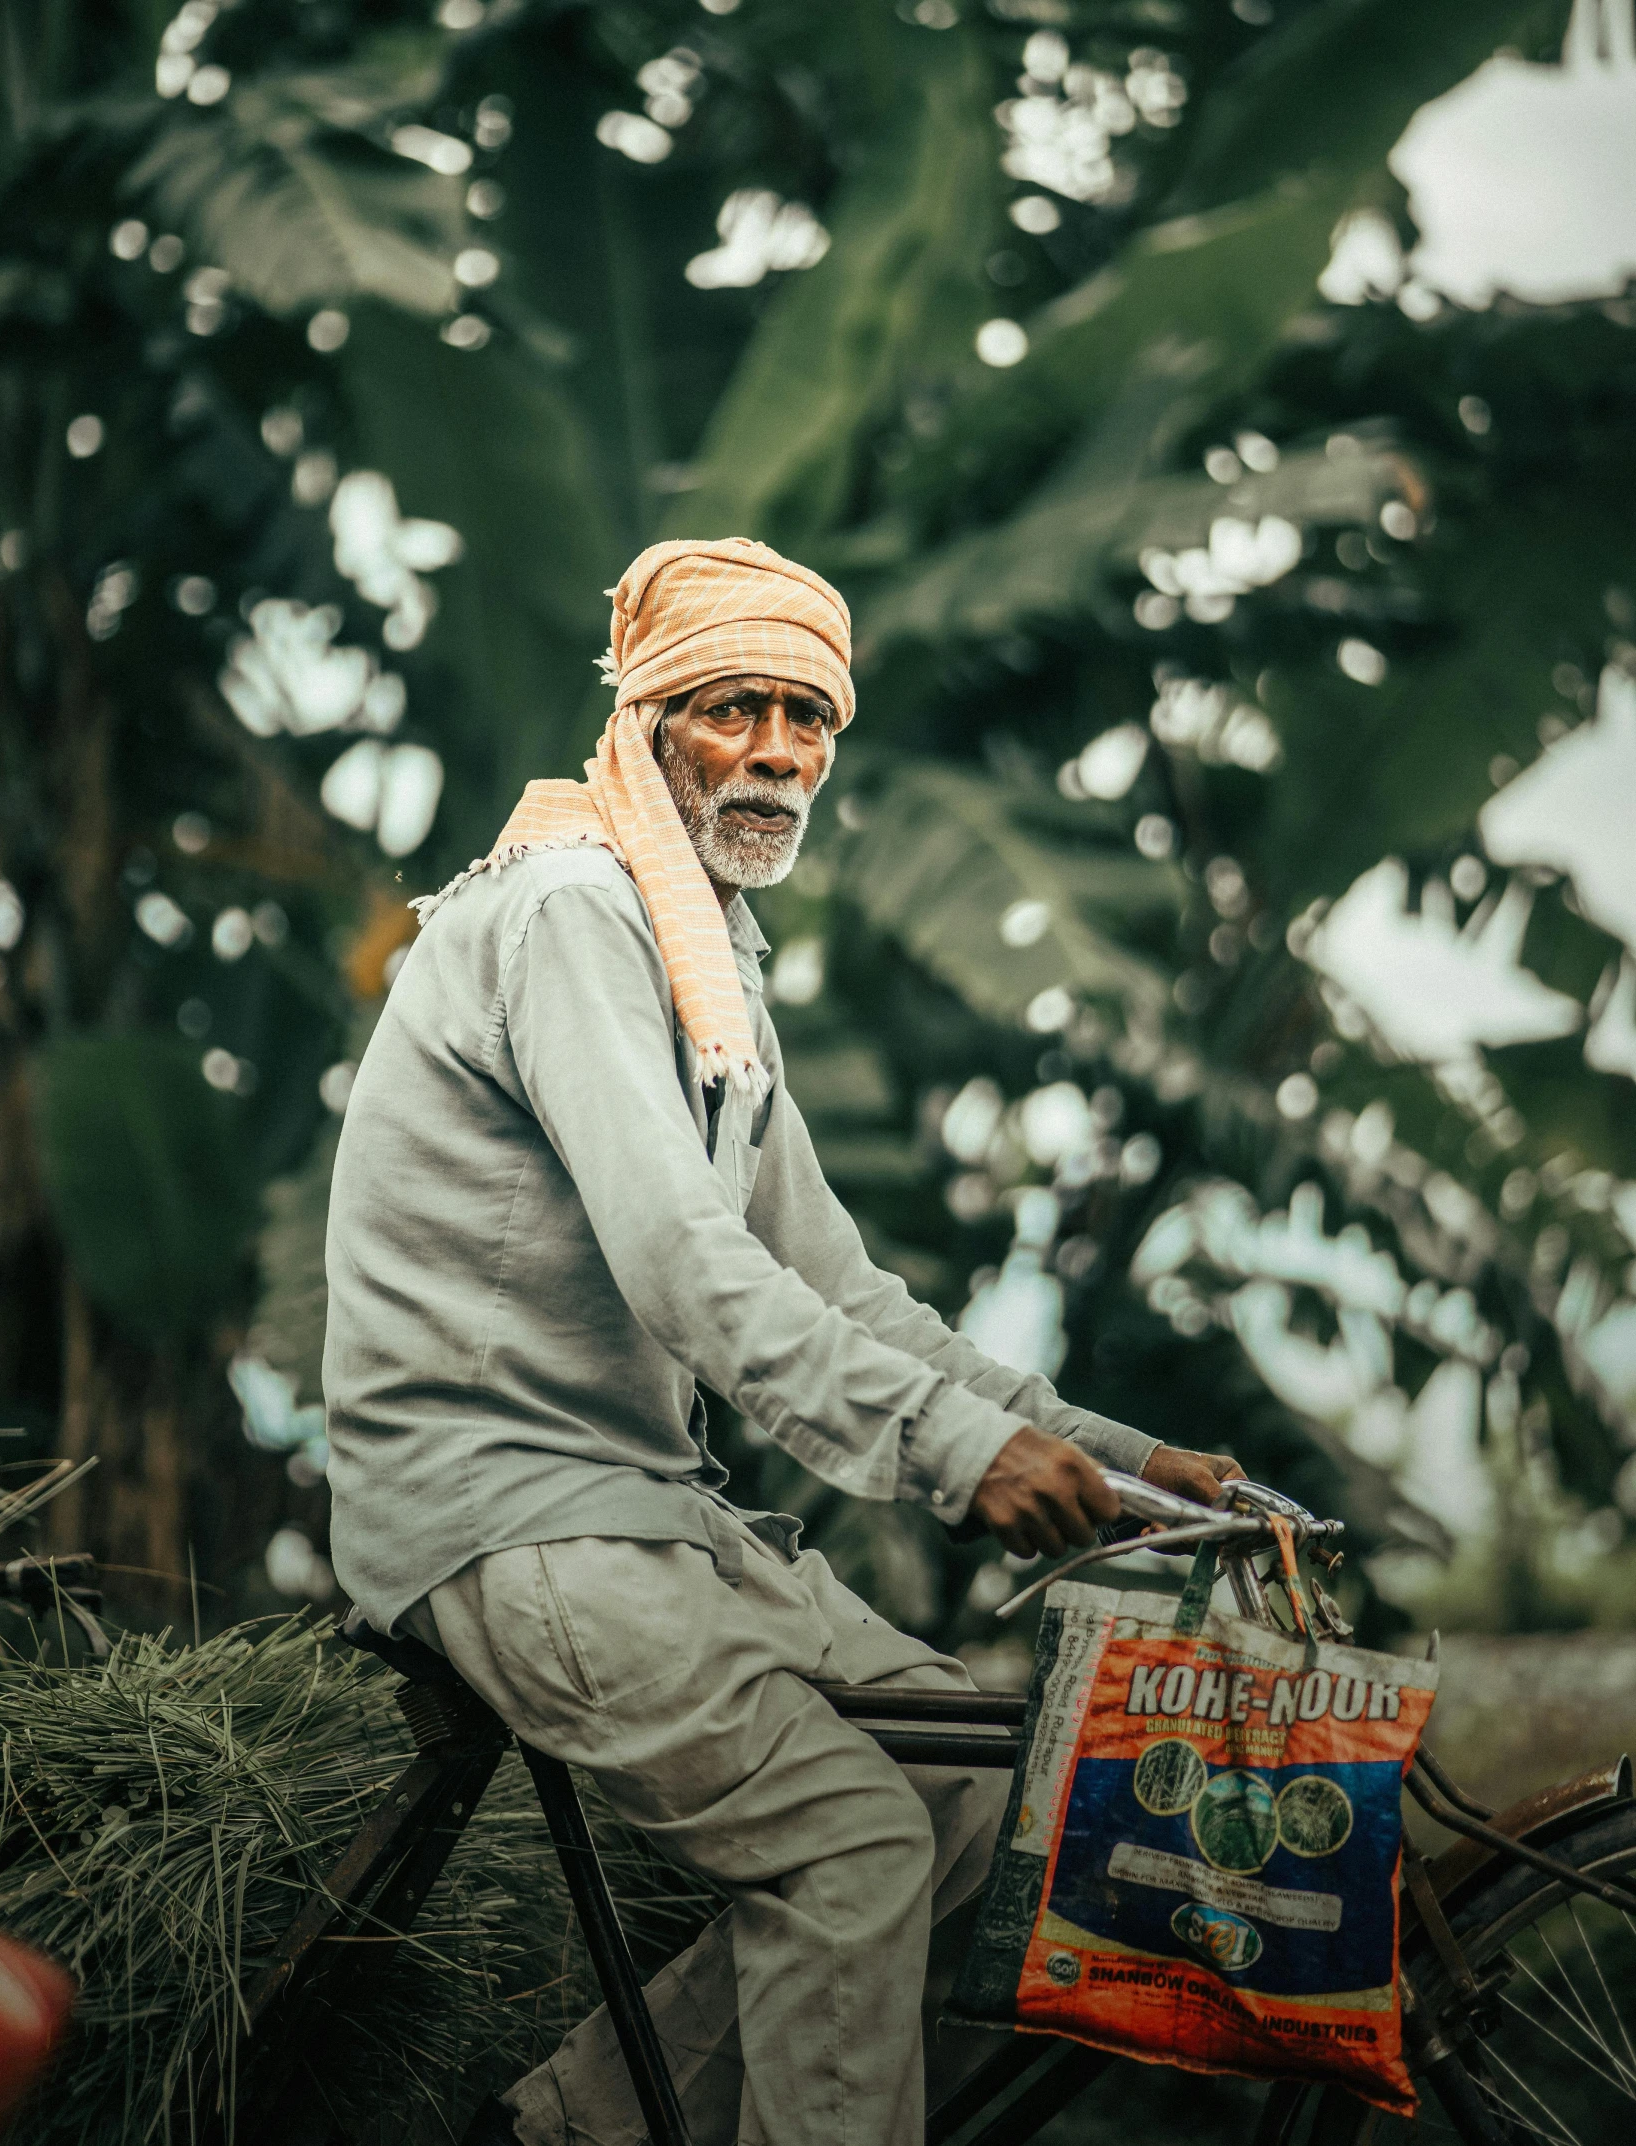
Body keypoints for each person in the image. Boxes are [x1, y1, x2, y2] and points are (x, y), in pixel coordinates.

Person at [323, 538, 1238, 2146]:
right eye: (734, 706)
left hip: (649, 1515)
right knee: (855, 1847)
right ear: (652, 717)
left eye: (807, 718)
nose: (777, 751)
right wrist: (957, 1455)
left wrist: (1112, 1449)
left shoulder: (708, 953)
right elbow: (687, 1263)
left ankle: (567, 2135)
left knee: (967, 1798)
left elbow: (846, 1287)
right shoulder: (571, 915)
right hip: (512, 1518)